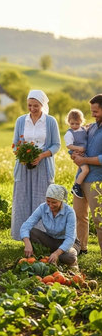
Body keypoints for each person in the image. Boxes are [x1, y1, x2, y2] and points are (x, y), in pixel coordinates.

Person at [11, 89, 61, 241]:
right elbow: (15, 145)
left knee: (42, 200)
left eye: (36, 106)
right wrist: (22, 155)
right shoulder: (21, 121)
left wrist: (41, 155)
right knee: (22, 199)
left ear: (42, 105)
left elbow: (56, 145)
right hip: (24, 167)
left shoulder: (50, 121)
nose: (32, 109)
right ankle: (23, 236)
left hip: (43, 166)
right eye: (30, 105)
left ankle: (40, 237)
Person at [20, 184, 81, 267]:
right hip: (51, 239)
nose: (50, 205)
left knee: (69, 257)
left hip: (69, 242)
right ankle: (47, 256)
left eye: (54, 202)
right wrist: (27, 244)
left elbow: (70, 238)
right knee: (31, 232)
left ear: (61, 200)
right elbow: (26, 225)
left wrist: (57, 253)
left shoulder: (69, 212)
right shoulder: (42, 208)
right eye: (48, 201)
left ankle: (68, 262)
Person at [72, 94, 102, 256]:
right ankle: (81, 249)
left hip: (98, 180)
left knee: (99, 220)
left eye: (96, 111)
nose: (92, 114)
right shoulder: (91, 127)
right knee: (79, 215)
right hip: (81, 178)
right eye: (91, 111)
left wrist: (86, 159)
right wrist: (75, 155)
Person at [64, 109, 89, 199]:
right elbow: (69, 145)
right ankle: (76, 186)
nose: (74, 126)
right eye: (72, 123)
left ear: (81, 122)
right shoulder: (69, 133)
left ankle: (77, 184)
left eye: (77, 124)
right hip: (77, 153)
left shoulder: (83, 129)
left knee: (84, 170)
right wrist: (78, 148)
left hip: (84, 154)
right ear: (69, 122)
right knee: (85, 170)